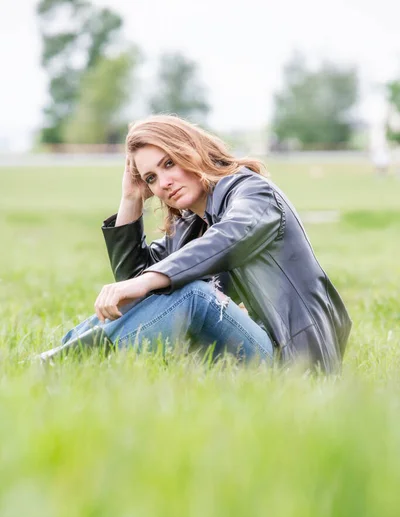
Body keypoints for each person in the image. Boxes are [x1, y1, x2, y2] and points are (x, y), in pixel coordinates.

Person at [42, 115, 352, 373]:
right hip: (255, 353)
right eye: (150, 178)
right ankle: (57, 360)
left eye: (168, 164)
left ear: (191, 151)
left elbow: (229, 237)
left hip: (297, 361)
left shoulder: (254, 194)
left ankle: (66, 366)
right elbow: (137, 288)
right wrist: (131, 197)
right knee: (158, 295)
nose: (163, 183)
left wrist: (146, 283)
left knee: (193, 295)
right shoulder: (192, 223)